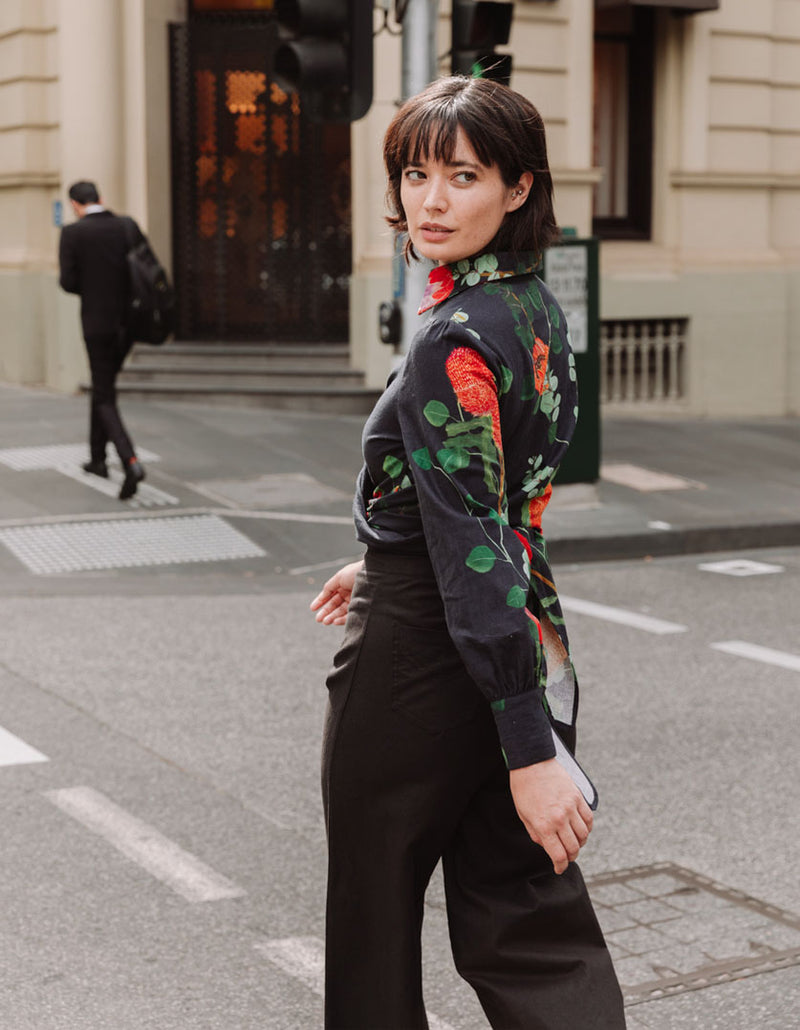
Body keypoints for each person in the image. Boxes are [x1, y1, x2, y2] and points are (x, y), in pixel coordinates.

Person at [310, 76, 626, 1030]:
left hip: (421, 655)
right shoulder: (532, 308)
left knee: (373, 919)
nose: (431, 200)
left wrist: (527, 755)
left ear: (519, 188)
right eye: (415, 174)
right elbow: (492, 499)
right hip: (515, 628)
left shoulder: (454, 339)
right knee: (529, 920)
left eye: (463, 175)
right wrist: (392, 550)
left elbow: (477, 531)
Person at [59, 180, 146, 500]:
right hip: (129, 323)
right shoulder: (126, 226)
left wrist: (93, 285)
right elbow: (145, 267)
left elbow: (68, 282)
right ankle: (98, 459)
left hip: (97, 324)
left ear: (74, 204)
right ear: (100, 198)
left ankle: (130, 461)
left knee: (105, 395)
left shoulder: (73, 234)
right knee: (103, 385)